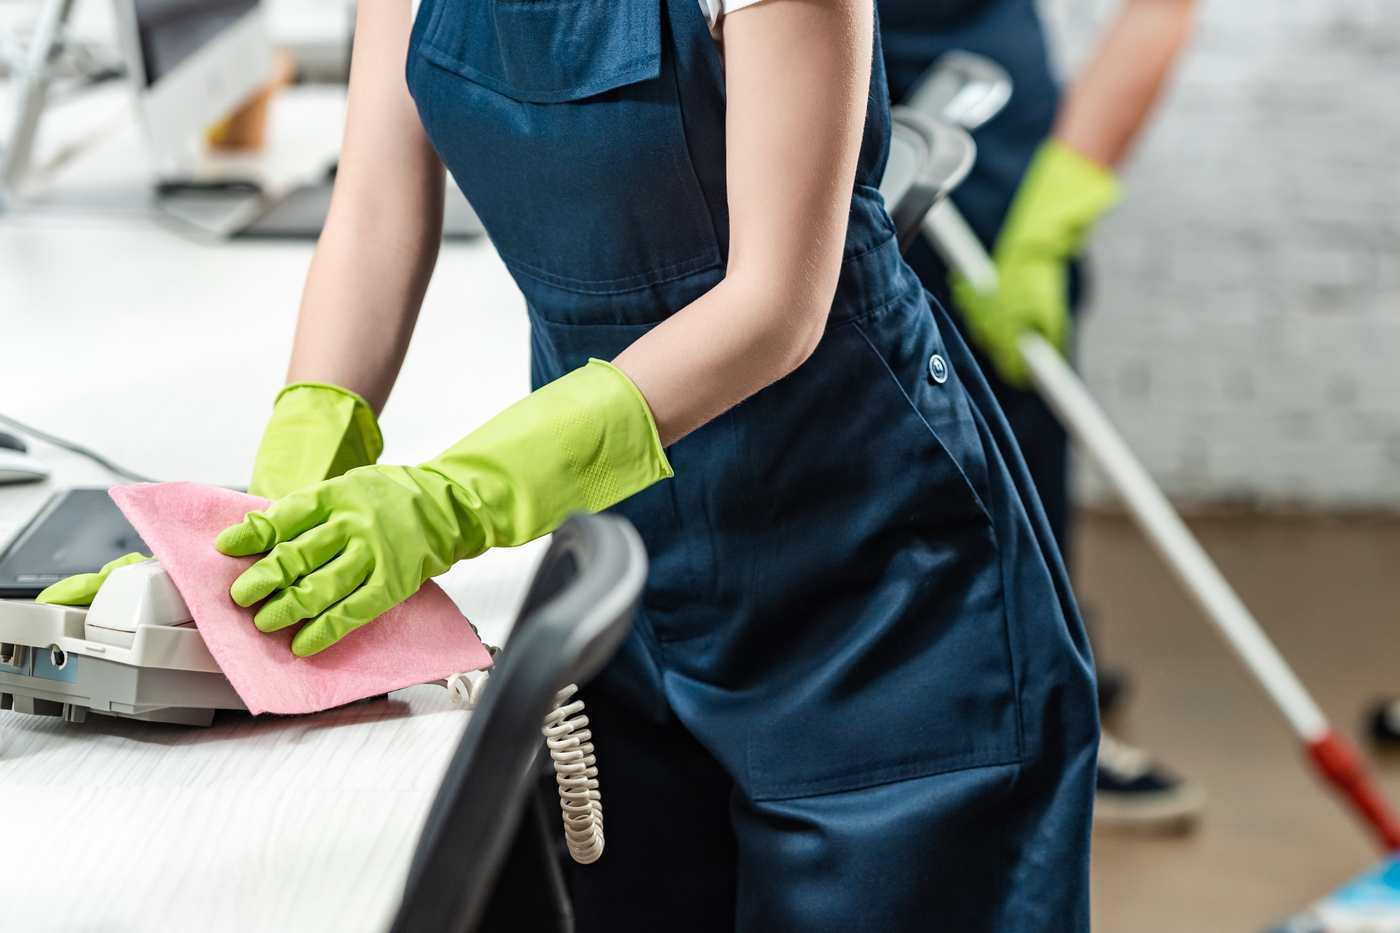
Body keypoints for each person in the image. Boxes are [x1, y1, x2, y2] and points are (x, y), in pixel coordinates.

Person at [42, 0, 1098, 927]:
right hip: (633, 565)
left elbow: (775, 304)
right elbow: (370, 214)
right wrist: (275, 512)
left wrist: (458, 498)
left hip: (872, 587)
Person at [879, 0, 1204, 828]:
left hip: (967, 58)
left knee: (1009, 389)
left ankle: (1036, 707)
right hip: (760, 40)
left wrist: (1056, 207)